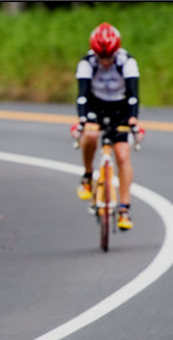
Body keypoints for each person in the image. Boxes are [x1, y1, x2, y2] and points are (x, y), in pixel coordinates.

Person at [71, 22, 144, 231]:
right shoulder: (86, 63)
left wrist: (133, 120)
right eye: (101, 57)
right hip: (97, 105)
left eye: (109, 57)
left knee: (122, 154)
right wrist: (83, 120)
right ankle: (87, 175)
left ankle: (124, 209)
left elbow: (133, 96)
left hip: (120, 107)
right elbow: (82, 96)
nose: (105, 61)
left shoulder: (127, 62)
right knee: (91, 135)